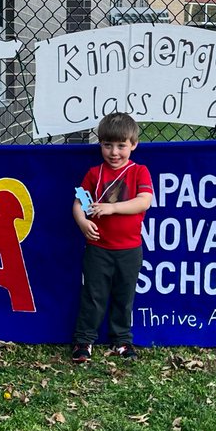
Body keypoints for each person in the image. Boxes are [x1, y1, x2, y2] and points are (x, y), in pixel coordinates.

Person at [70, 111, 153, 363]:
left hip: (129, 250)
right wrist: (82, 222)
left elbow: (144, 201)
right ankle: (84, 341)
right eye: (107, 145)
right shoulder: (94, 173)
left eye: (121, 146)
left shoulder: (139, 171)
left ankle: (122, 340)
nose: (114, 152)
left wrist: (112, 207)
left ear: (133, 145)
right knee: (93, 296)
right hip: (98, 248)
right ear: (100, 144)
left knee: (124, 296)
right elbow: (79, 203)